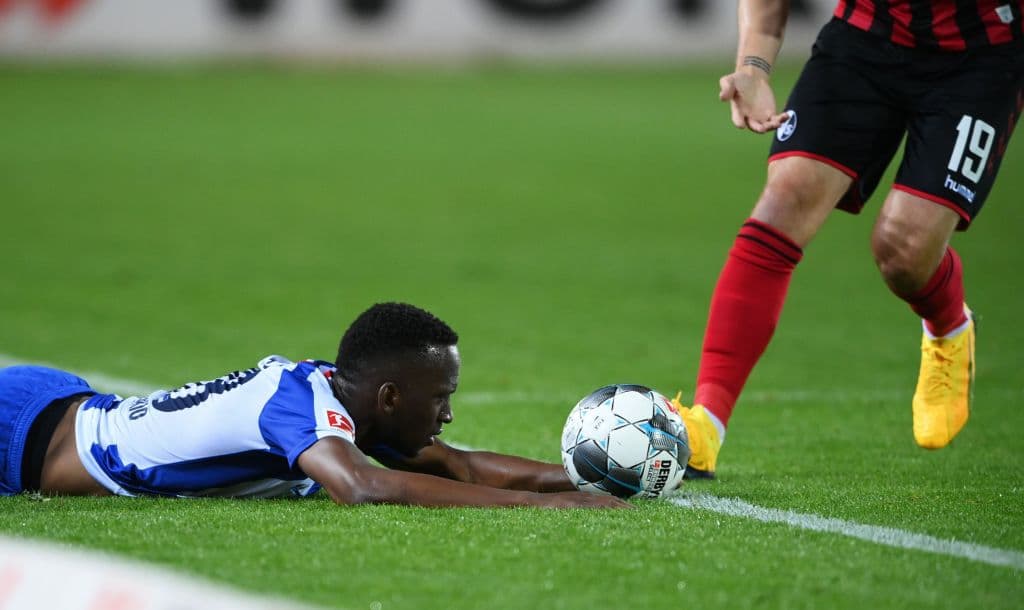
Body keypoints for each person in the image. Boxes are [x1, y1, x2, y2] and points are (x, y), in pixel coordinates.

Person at [673, 0, 1024, 478]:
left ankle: (949, 326)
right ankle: (706, 425)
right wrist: (753, 67)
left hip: (981, 59)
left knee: (903, 250)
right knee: (785, 200)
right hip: (864, 41)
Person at [0, 302, 627, 508]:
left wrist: (597, 477)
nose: (447, 416)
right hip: (23, 435)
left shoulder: (345, 401)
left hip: (62, 401)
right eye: (440, 398)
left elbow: (460, 467)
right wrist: (545, 507)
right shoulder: (298, 406)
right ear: (390, 397)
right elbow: (362, 487)